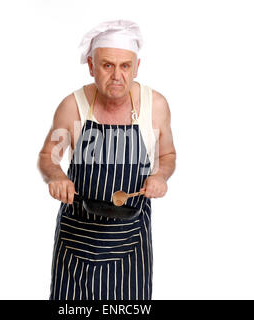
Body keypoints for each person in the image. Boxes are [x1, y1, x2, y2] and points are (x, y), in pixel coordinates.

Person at [37, 20, 176, 300]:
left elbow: (167, 155)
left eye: (125, 66)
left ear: (136, 67)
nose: (117, 75)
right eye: (107, 65)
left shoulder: (154, 106)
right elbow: (48, 157)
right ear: (91, 66)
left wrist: (161, 176)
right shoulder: (73, 107)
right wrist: (56, 176)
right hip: (76, 240)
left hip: (130, 241)